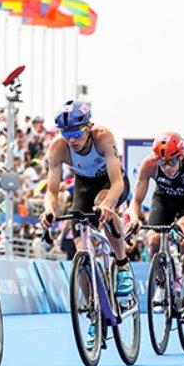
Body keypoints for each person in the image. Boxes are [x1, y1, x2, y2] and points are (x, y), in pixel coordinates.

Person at [41, 99, 133, 300]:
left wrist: (107, 205)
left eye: (76, 134)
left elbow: (117, 182)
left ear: (89, 127)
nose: (72, 140)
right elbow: (52, 191)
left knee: (102, 203)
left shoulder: (103, 137)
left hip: (110, 182)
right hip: (84, 185)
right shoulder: (58, 147)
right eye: (66, 134)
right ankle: (93, 306)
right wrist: (49, 210)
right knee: (80, 251)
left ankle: (122, 264)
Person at [126, 131, 184, 322]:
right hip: (164, 200)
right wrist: (134, 218)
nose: (168, 168)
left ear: (181, 156)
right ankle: (162, 284)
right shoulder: (149, 164)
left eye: (172, 162)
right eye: (163, 163)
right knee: (154, 240)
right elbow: (135, 200)